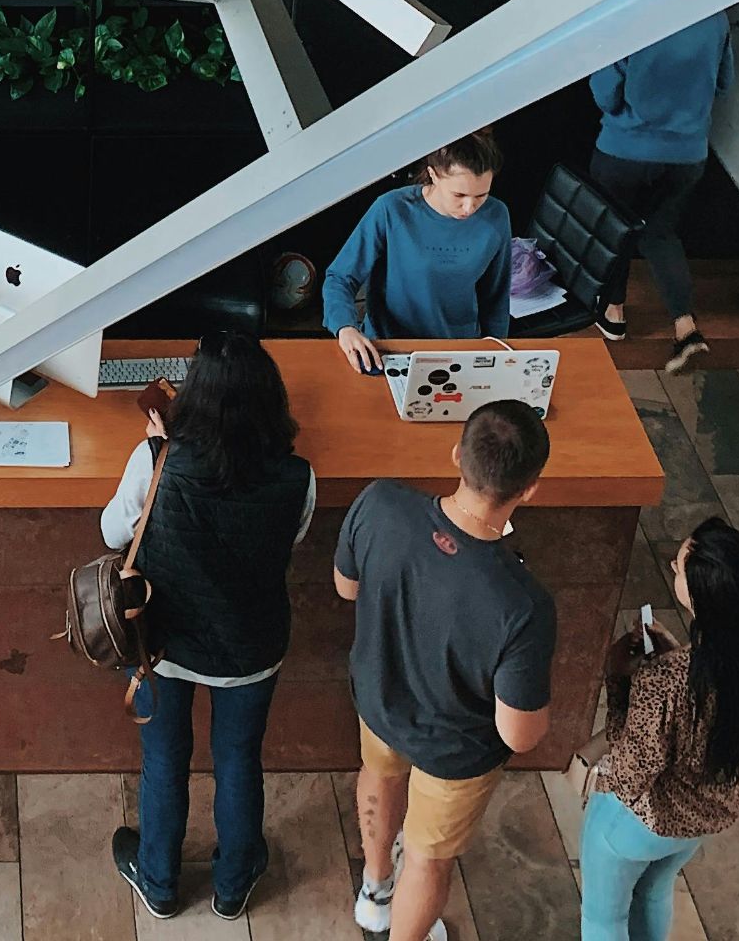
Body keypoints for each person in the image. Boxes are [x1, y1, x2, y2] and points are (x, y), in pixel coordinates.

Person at [101, 331, 317, 922]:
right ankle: (234, 882)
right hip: (251, 647)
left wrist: (157, 456)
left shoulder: (156, 459)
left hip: (162, 642)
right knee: (240, 759)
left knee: (165, 760)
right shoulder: (300, 476)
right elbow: (289, 539)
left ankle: (160, 881)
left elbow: (112, 534)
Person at [336, 400, 556, 941]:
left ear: (457, 454)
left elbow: (346, 587)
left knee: (380, 776)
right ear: (530, 489)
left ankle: (374, 889)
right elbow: (518, 735)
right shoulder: (523, 605)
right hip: (455, 751)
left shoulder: (381, 501)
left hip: (379, 700)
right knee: (430, 861)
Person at [580, 517, 739, 941]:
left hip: (642, 822)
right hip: (702, 818)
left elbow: (632, 774)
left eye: (679, 567)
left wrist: (620, 680)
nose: (672, 564)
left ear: (702, 598)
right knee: (653, 894)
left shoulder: (667, 680)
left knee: (604, 917)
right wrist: (678, 656)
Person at [588, 12, 733, 373]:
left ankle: (614, 313)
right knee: (660, 232)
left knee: (615, 228)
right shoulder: (716, 18)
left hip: (624, 151)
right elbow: (724, 82)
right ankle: (686, 327)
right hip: (687, 155)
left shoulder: (634, 17)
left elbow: (605, 94)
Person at [323, 131, 514, 374]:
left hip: (460, 350)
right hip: (389, 350)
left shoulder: (497, 216)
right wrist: (346, 328)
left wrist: (495, 356)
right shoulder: (391, 210)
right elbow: (340, 277)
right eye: (459, 195)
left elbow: (496, 296)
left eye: (481, 196)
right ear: (433, 175)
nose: (469, 208)